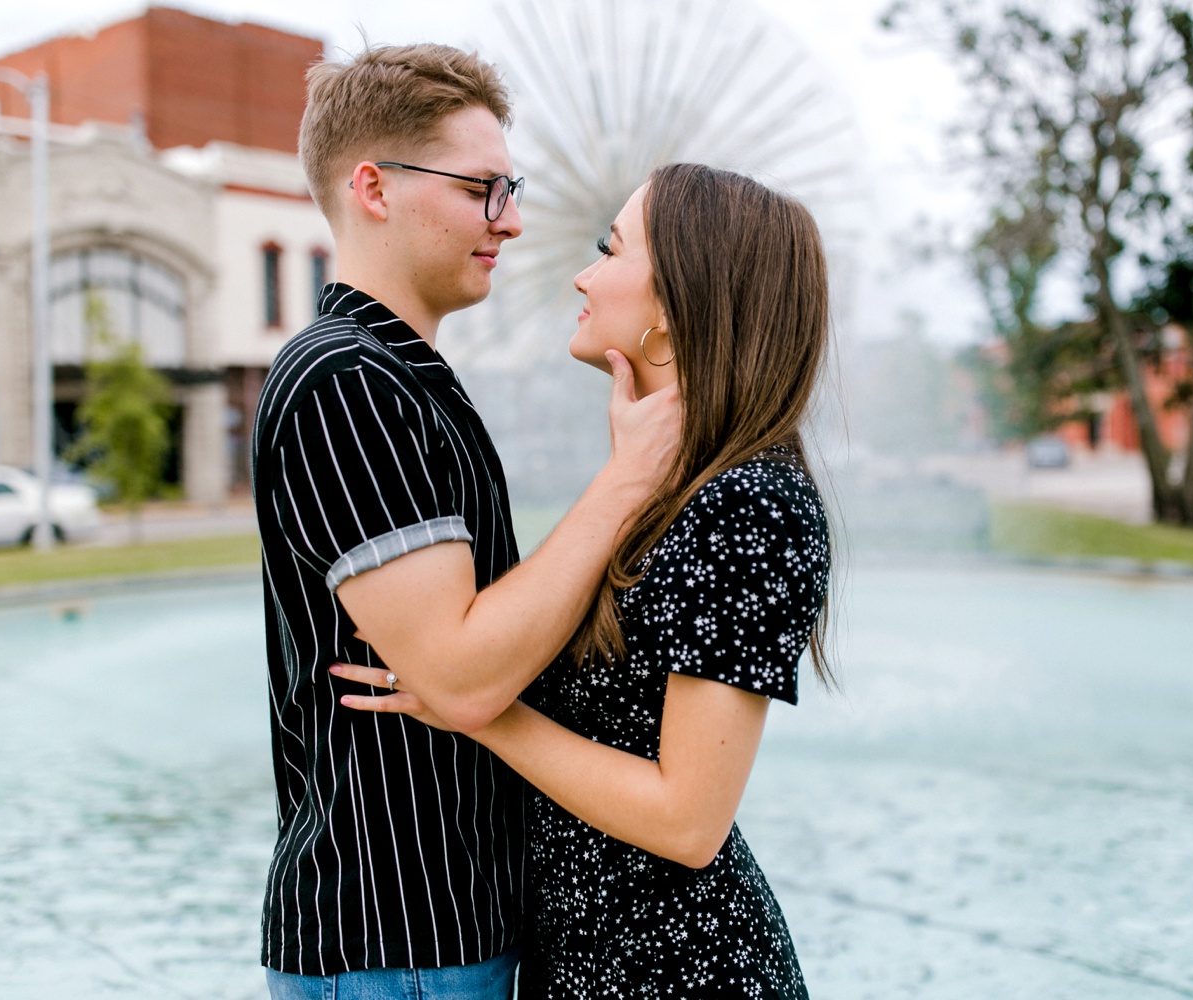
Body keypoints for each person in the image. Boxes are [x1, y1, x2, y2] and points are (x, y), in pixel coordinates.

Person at [335, 163, 834, 997]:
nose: (582, 272)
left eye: (610, 249)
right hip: (594, 963)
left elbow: (688, 820)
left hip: (675, 974)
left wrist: (475, 711)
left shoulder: (755, 502)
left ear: (674, 311)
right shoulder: (666, 484)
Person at [252, 44, 679, 998]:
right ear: (374, 188)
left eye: (512, 188)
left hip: (439, 937)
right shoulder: (345, 381)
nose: (514, 221)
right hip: (399, 943)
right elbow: (462, 675)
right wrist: (627, 480)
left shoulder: (400, 378)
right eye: (484, 189)